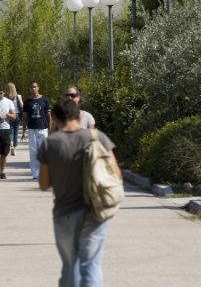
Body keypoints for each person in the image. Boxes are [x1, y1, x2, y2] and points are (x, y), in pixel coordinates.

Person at [37, 98, 122, 287]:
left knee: (70, 266)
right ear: (78, 115)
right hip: (95, 211)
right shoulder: (97, 137)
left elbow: (43, 184)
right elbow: (116, 174)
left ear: (56, 119)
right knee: (91, 265)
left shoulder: (50, 143)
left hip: (64, 213)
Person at [21, 81, 52, 179]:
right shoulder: (27, 102)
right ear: (29, 89)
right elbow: (25, 117)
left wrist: (50, 130)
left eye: (35, 87)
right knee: (33, 150)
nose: (33, 89)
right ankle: (35, 173)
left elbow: (49, 116)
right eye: (31, 87)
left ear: (38, 88)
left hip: (43, 128)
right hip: (32, 128)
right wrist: (23, 131)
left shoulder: (44, 100)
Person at [5, 82, 24, 156]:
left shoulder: (5, 97)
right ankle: (15, 148)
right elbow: (22, 106)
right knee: (16, 132)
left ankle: (11, 145)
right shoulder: (18, 96)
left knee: (10, 131)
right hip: (18, 115)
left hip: (9, 115)